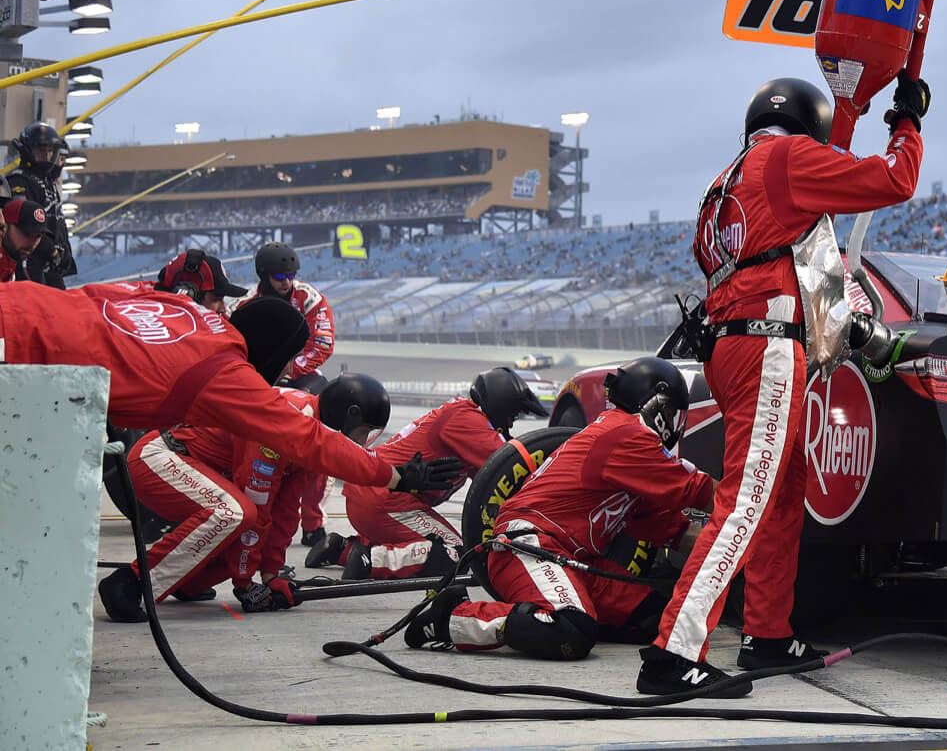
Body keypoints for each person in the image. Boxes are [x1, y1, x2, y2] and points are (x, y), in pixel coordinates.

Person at [639, 74, 925, 696]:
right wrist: (908, 123)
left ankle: (767, 633)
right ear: (810, 127)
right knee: (744, 502)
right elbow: (894, 181)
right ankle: (673, 651)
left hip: (730, 344)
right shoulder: (790, 158)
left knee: (784, 487)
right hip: (767, 345)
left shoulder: (722, 183)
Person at [0, 281, 463, 515]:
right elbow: (308, 440)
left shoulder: (188, 309)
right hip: (18, 361)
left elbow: (103, 292)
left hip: (18, 302)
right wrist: (394, 475)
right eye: (284, 364)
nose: (284, 375)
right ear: (272, 354)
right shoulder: (227, 375)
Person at [405, 357, 715, 668]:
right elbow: (701, 492)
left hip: (572, 558)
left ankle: (543, 615)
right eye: (673, 412)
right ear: (657, 401)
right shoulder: (628, 435)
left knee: (656, 617)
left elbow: (677, 533)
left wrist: (736, 549)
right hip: (530, 544)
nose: (675, 421)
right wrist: (753, 508)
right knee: (570, 631)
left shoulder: (628, 450)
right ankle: (452, 618)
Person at [98, 373, 392, 622]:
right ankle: (130, 584)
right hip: (158, 458)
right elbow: (259, 506)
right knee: (236, 513)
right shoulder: (286, 421)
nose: (362, 441)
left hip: (188, 468)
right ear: (348, 413)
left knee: (240, 527)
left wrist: (271, 575)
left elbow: (285, 513)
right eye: (363, 431)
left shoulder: (311, 438)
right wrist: (245, 585)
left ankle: (187, 582)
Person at [310, 366, 548, 580]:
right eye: (514, 414)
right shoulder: (469, 421)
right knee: (457, 553)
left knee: (439, 545)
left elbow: (493, 485)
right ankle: (372, 560)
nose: (513, 421)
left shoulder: (460, 414)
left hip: (372, 495)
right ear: (502, 402)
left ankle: (343, 549)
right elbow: (513, 467)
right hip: (387, 501)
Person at [244, 241, 338, 547]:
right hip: (258, 379)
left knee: (323, 431)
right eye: (279, 277)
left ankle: (313, 521)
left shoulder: (309, 298)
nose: (286, 282)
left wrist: (288, 370)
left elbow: (323, 343)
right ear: (264, 275)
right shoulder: (245, 305)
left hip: (301, 377)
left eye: (291, 275)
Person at [6, 121, 76, 287]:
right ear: (27, 150)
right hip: (31, 263)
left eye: (50, 151)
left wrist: (65, 253)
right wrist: (51, 250)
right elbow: (24, 224)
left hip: (52, 267)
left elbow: (58, 220)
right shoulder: (19, 180)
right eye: (41, 151)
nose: (46, 156)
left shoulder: (49, 182)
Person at [1, 198, 48, 283]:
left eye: (38, 236)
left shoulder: (12, 262)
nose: (32, 243)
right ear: (4, 227)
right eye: (26, 234)